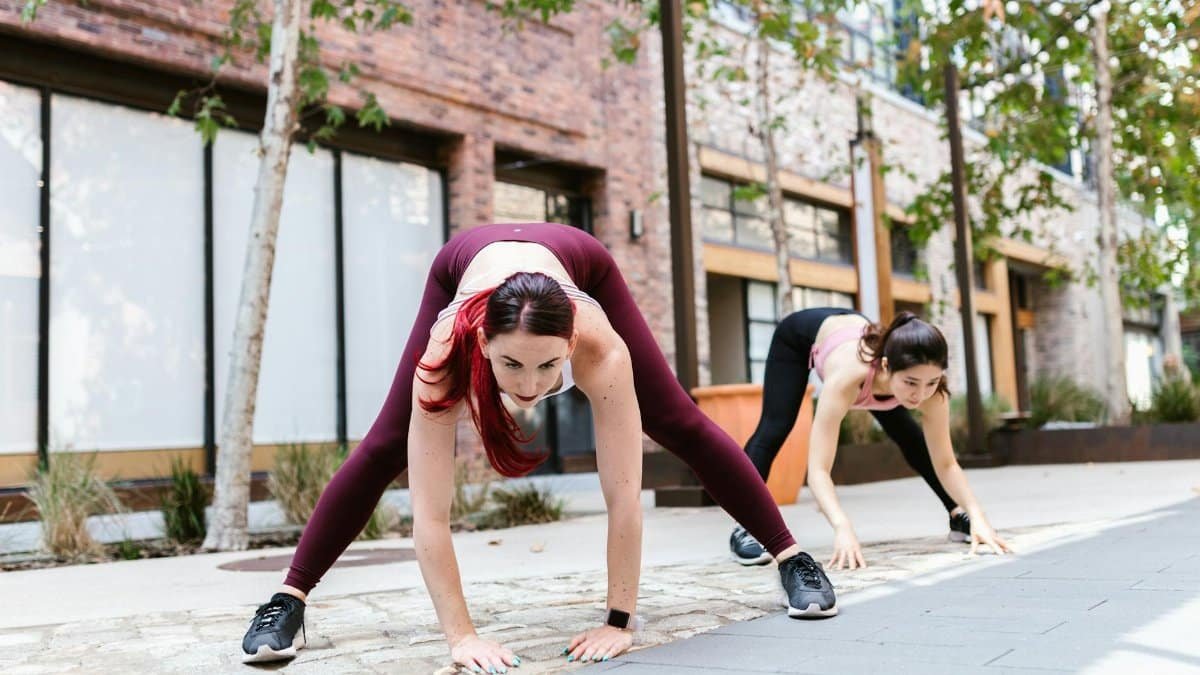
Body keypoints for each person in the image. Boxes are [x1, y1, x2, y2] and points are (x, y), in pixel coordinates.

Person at [241, 223, 838, 670]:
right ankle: (288, 598)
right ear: (481, 341)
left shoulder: (601, 347)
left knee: (677, 419)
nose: (531, 389)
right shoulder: (446, 352)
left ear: (572, 341)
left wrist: (619, 621)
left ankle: (791, 557)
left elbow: (624, 496)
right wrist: (462, 638)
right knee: (385, 443)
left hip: (578, 259)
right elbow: (431, 513)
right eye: (511, 366)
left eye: (549, 365)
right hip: (465, 260)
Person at [728, 308, 1012, 570]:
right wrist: (842, 525)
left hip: (855, 333)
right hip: (798, 337)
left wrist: (977, 515)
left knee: (909, 435)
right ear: (887, 367)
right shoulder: (847, 379)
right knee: (775, 427)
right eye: (911, 382)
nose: (920, 394)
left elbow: (947, 464)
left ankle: (956, 514)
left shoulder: (932, 394)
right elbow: (818, 470)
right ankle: (744, 526)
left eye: (931, 382)